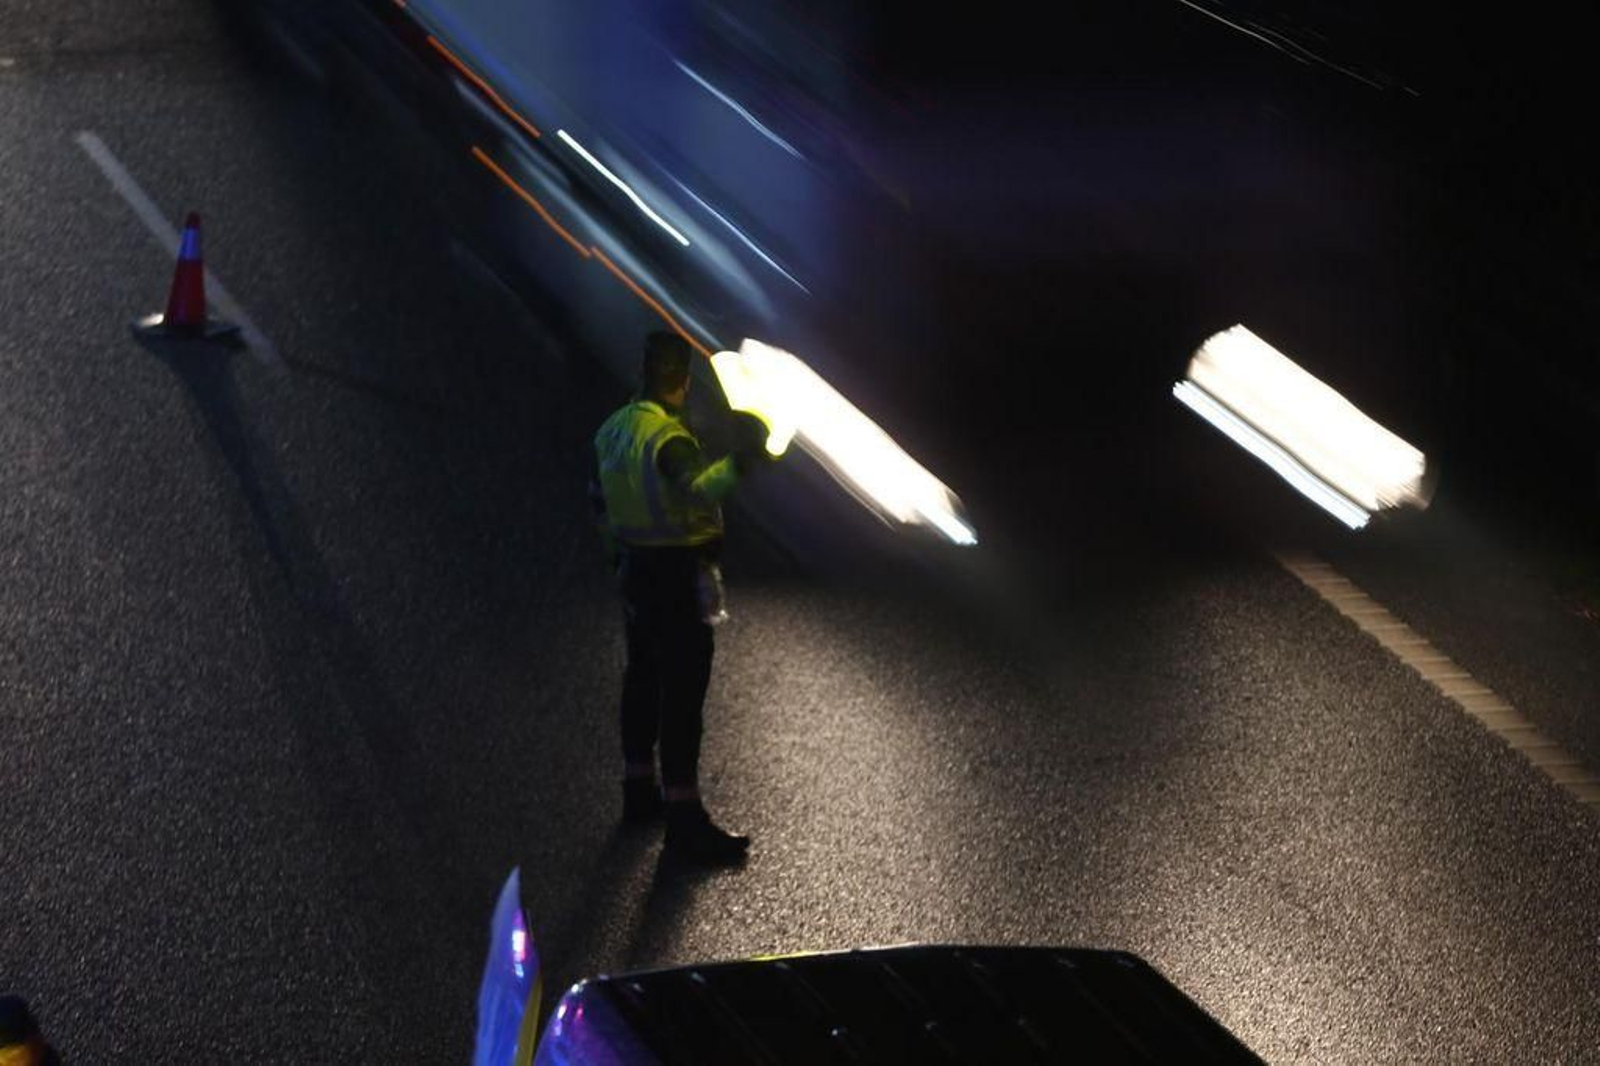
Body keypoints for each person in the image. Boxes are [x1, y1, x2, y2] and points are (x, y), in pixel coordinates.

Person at [591, 331, 775, 865]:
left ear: (642, 371)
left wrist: (618, 562)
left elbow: (597, 503)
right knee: (683, 697)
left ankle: (638, 791)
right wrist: (746, 458)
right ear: (683, 380)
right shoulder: (667, 439)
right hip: (673, 575)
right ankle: (685, 821)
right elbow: (698, 488)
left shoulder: (613, 431)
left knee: (642, 678)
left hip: (634, 571)